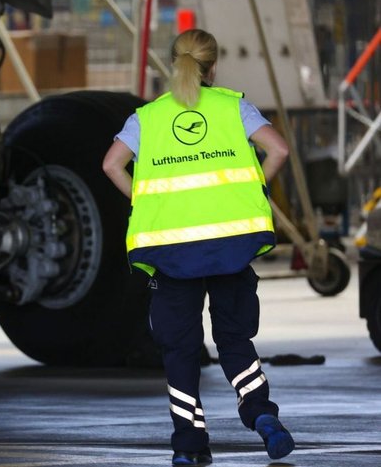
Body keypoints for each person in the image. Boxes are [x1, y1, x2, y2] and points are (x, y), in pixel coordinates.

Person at [102, 29, 294, 466]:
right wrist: (251, 188)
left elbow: (111, 164)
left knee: (181, 348)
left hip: (172, 251)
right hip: (229, 246)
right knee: (234, 337)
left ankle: (189, 445)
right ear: (214, 67)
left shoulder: (146, 118)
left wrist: (145, 199)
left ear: (173, 64)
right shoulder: (233, 107)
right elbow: (278, 149)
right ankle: (262, 415)